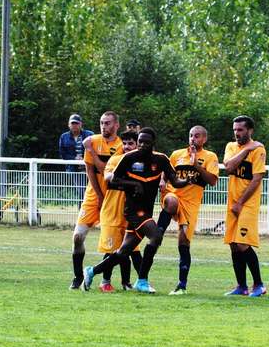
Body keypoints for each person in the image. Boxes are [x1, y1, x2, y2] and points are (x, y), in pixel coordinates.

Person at [83, 127, 189, 294]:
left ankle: (91, 271)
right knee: (156, 236)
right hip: (133, 210)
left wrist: (187, 181)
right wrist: (134, 184)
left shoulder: (161, 159)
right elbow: (113, 180)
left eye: (146, 142)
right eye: (140, 141)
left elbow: (175, 181)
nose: (142, 145)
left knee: (123, 252)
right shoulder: (129, 158)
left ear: (153, 143)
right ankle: (142, 280)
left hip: (146, 210)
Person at [158, 125, 219, 295]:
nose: (193, 138)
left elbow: (213, 181)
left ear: (204, 139)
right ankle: (158, 233)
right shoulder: (177, 154)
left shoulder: (210, 157)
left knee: (184, 242)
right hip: (174, 195)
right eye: (191, 135)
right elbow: (166, 171)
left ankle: (182, 285)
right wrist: (162, 180)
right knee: (171, 201)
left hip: (191, 204)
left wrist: (196, 164)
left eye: (197, 136)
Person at [69, 111, 121, 289]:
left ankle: (105, 281)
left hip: (112, 198)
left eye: (107, 123)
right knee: (77, 237)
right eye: (101, 123)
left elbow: (106, 169)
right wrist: (98, 195)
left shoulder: (120, 146)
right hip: (93, 197)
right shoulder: (94, 141)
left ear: (116, 125)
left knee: (110, 242)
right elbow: (90, 170)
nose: (103, 126)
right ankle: (78, 277)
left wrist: (90, 150)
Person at [223, 116, 267, 297]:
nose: (236, 133)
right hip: (233, 202)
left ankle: (259, 285)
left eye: (240, 130)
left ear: (250, 131)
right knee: (233, 244)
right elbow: (228, 167)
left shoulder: (259, 150)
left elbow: (257, 179)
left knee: (242, 243)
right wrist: (247, 149)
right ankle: (241, 286)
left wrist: (240, 202)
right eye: (235, 130)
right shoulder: (231, 146)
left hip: (247, 204)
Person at [95, 130, 140, 292]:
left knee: (130, 251)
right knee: (111, 250)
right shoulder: (115, 159)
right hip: (112, 212)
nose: (127, 146)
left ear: (138, 145)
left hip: (130, 214)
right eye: (125, 143)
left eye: (131, 143)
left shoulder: (141, 163)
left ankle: (129, 283)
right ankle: (105, 281)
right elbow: (108, 177)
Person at [59, 114, 94, 203]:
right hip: (74, 169)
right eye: (72, 123)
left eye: (76, 123)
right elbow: (63, 154)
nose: (74, 125)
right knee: (81, 191)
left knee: (92, 191)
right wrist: (75, 158)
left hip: (90, 167)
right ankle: (82, 210)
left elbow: (95, 150)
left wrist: (85, 157)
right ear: (69, 124)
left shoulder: (89, 135)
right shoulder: (64, 137)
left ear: (81, 124)